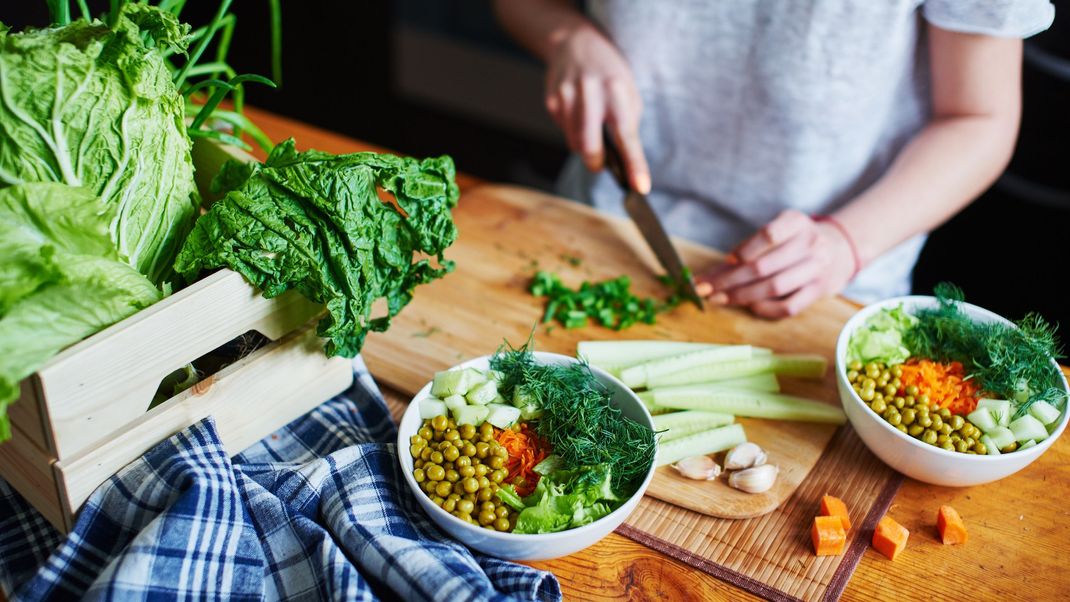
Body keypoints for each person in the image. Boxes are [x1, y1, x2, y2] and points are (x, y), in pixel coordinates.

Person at [494, 1, 1055, 317]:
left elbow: (979, 119)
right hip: (599, 233)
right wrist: (567, 37)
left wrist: (843, 242)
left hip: (828, 284)